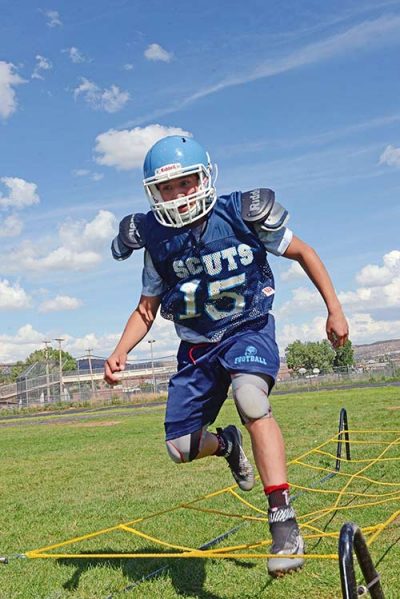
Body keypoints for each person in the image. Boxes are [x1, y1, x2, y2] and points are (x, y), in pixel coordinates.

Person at [104, 135, 349, 576]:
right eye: (167, 188)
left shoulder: (238, 212)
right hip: (197, 346)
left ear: (204, 177)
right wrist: (121, 350)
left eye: (186, 182)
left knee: (251, 399)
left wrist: (334, 308)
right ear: (153, 194)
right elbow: (147, 307)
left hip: (246, 328)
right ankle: (227, 444)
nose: (178, 196)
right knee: (180, 449)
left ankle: (284, 523)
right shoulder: (157, 240)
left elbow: (303, 251)